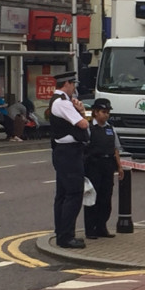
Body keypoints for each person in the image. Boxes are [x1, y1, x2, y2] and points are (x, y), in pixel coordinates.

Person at [49, 71, 90, 249]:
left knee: (63, 195)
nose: (74, 88)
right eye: (73, 84)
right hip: (69, 153)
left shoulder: (59, 101)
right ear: (67, 84)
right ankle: (66, 236)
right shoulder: (63, 102)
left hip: (64, 152)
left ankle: (61, 233)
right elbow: (83, 124)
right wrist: (82, 112)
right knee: (73, 194)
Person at [83, 98, 124, 239]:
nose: (106, 115)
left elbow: (116, 149)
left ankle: (101, 227)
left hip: (108, 165)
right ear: (95, 112)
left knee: (106, 199)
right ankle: (90, 229)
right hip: (93, 165)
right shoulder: (88, 128)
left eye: (107, 112)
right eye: (103, 112)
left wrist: (120, 167)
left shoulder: (110, 129)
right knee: (92, 198)